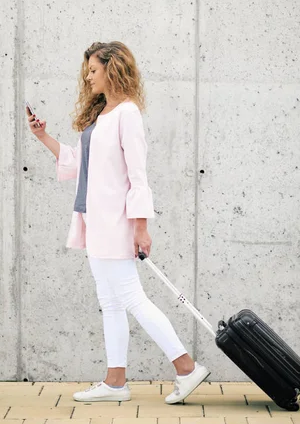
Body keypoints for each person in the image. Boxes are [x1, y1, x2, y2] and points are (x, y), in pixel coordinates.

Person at [27, 41, 210, 404]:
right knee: (110, 302)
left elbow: (138, 177)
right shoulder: (101, 115)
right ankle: (115, 383)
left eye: (93, 70)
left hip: (116, 223)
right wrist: (42, 136)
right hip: (94, 221)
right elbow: (80, 163)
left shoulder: (128, 114)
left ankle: (187, 368)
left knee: (131, 298)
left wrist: (140, 227)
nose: (88, 76)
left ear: (112, 69)